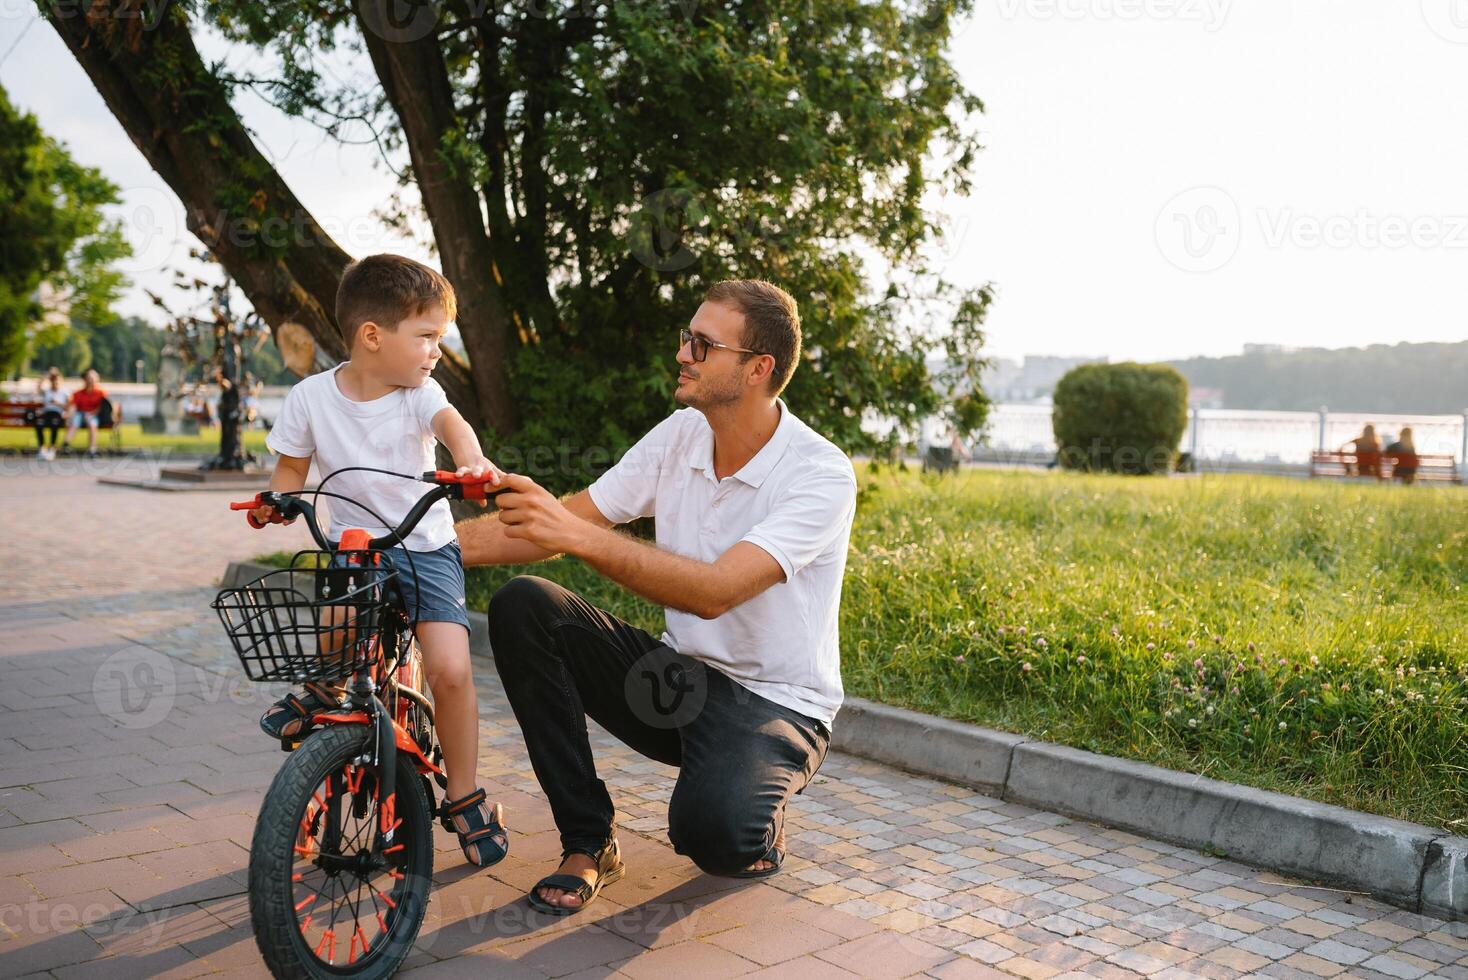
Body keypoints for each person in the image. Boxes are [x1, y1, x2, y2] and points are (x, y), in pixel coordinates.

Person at [458, 279, 857, 915]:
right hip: (679, 682)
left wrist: (576, 538)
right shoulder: (680, 434)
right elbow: (568, 521)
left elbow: (717, 592)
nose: (683, 355)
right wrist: (423, 547)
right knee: (525, 604)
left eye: (703, 345)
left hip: (775, 705)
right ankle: (589, 841)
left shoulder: (820, 473)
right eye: (685, 338)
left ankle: (756, 818)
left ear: (758, 369)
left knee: (715, 839)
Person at [250, 253, 511, 870]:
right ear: (373, 336)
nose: (435, 352)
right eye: (426, 337)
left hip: (424, 548)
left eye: (439, 339)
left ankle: (464, 792)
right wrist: (276, 502)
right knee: (337, 638)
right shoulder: (311, 397)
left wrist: (473, 464)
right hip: (355, 550)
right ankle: (325, 694)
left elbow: (455, 427)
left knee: (450, 668)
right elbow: (290, 470)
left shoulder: (420, 395)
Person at [64, 369, 108, 458]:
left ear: (97, 380)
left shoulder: (101, 393)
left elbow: (102, 407)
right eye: (88, 378)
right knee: (75, 421)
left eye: (92, 378)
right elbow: (73, 407)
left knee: (92, 424)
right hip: (80, 413)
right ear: (85, 380)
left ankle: (92, 450)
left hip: (93, 414)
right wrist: (68, 415)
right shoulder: (78, 393)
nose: (90, 381)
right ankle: (66, 443)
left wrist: (92, 413)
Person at [33, 368, 67, 461]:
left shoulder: (64, 392)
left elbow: (69, 406)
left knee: (54, 424)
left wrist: (57, 403)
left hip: (57, 413)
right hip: (47, 413)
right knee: (39, 423)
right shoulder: (47, 391)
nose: (55, 384)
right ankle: (42, 448)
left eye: (57, 382)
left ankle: (52, 448)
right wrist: (45, 376)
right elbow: (38, 388)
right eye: (53, 382)